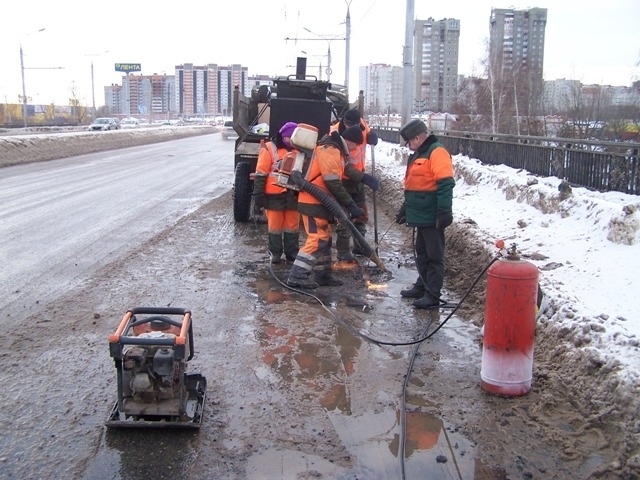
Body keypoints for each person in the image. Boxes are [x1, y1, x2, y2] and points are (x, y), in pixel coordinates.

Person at [286, 126, 367, 289]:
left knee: (325, 239)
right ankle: (297, 275)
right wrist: (350, 204)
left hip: (318, 202)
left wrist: (365, 178)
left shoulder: (334, 149)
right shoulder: (330, 149)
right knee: (318, 239)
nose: (354, 150)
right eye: (355, 146)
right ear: (350, 141)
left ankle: (323, 275)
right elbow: (332, 182)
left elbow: (346, 170)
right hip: (313, 202)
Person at [396, 119, 455, 309]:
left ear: (418, 137)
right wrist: (406, 208)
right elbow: (414, 186)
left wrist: (444, 211)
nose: (408, 146)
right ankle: (422, 285)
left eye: (409, 142)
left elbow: (445, 183)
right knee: (421, 252)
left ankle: (432, 295)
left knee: (434, 256)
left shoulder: (437, 153)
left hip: (432, 216)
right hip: (419, 215)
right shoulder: (418, 154)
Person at [330, 109, 379, 261]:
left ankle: (360, 246)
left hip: (358, 180)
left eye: (357, 125)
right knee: (344, 217)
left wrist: (372, 137)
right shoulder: (334, 134)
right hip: (342, 180)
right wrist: (364, 178)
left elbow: (368, 133)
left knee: (361, 214)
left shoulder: (362, 124)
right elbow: (344, 166)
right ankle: (343, 251)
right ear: (344, 123)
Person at [253, 121, 301, 263]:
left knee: (292, 226)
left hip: (293, 195)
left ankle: (292, 253)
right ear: (282, 136)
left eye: (292, 138)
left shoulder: (298, 149)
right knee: (275, 226)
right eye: (288, 137)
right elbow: (260, 173)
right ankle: (275, 254)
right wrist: (258, 193)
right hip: (274, 195)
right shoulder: (268, 149)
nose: (290, 141)